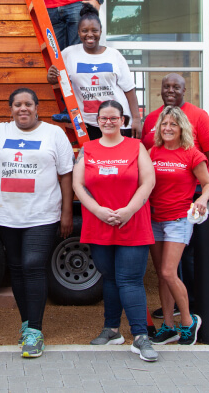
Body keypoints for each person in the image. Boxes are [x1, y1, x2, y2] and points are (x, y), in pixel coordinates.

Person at [0, 88, 74, 359]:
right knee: (16, 269)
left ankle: (35, 333)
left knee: (33, 265)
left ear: (37, 107)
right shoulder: (1, 131)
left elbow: (65, 175)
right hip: (8, 215)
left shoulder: (53, 134)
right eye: (17, 105)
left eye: (28, 104)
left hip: (43, 215)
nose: (22, 109)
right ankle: (27, 324)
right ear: (11, 109)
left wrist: (66, 213)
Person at [71, 100, 158, 362]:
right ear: (97, 121)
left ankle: (140, 336)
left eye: (114, 118)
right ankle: (111, 330)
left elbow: (148, 180)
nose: (108, 122)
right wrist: (97, 210)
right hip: (99, 224)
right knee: (108, 278)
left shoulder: (136, 146)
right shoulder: (88, 149)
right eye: (103, 118)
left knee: (129, 280)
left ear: (123, 120)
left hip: (132, 222)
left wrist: (130, 209)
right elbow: (78, 184)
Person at [141, 72, 209, 320]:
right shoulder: (151, 120)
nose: (170, 90)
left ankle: (191, 309)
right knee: (164, 269)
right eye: (166, 86)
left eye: (176, 87)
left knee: (185, 260)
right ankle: (170, 315)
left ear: (184, 90)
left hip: (188, 198)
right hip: (157, 208)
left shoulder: (198, 116)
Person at [147, 106, 209, 346]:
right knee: (162, 276)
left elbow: (208, 184)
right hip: (154, 219)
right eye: (164, 124)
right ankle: (168, 326)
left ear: (181, 128)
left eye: (173, 124)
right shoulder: (152, 152)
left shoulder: (192, 153)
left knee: (168, 271)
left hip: (178, 220)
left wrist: (201, 199)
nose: (167, 128)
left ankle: (187, 322)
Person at [47, 4, 142, 140]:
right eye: (84, 30)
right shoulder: (69, 54)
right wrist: (50, 76)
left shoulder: (114, 55)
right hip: (89, 124)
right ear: (78, 32)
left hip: (118, 123)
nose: (90, 35)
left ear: (101, 31)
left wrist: (137, 119)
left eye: (94, 30)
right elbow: (54, 78)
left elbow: (129, 89)